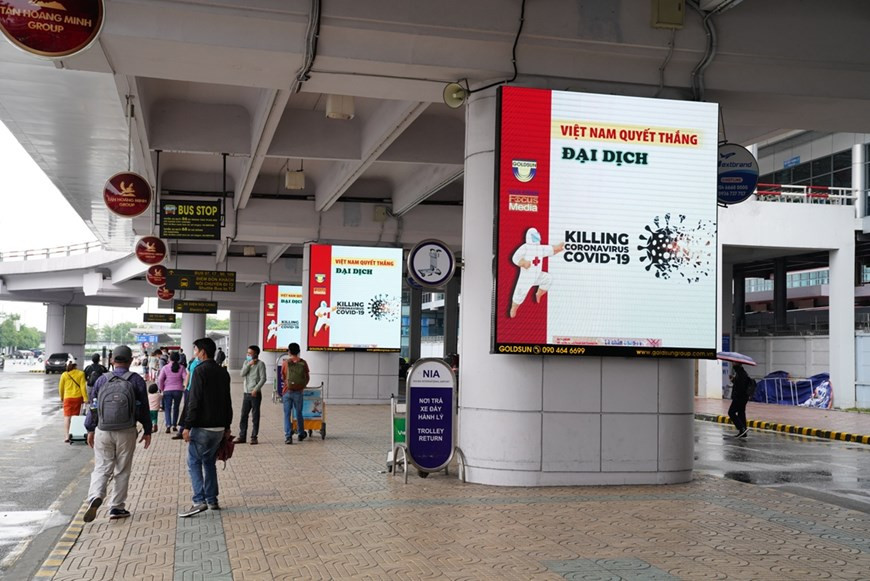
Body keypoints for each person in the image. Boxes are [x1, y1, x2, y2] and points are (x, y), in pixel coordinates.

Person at [82, 346, 152, 522]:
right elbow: (144, 407)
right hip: (127, 431)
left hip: (103, 430)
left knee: (102, 467)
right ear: (130, 361)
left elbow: (93, 406)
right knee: (122, 470)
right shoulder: (136, 380)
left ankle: (95, 495)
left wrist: (90, 428)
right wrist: (147, 430)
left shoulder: (101, 380)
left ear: (112, 360)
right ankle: (116, 507)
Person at [179, 337, 233, 517]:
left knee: (194, 462)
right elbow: (227, 401)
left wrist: (187, 426)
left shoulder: (199, 371)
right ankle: (212, 499)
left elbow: (194, 401)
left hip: (201, 427)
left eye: (195, 350)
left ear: (202, 352)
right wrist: (227, 426)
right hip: (219, 428)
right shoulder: (223, 372)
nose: (194, 353)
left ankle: (199, 500)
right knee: (209, 462)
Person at [509, 227, 565, 318]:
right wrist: (523, 262)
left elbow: (551, 250)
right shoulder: (525, 247)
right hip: (526, 278)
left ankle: (539, 293)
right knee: (519, 293)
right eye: (534, 236)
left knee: (548, 278)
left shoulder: (540, 248)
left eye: (537, 235)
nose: (537, 237)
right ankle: (514, 308)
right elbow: (515, 258)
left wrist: (559, 248)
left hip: (538, 276)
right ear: (529, 237)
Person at [237, 345, 267, 445]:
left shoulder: (261, 364)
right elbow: (242, 374)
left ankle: (254, 437)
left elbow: (263, 378)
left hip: (255, 394)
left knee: (255, 416)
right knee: (243, 415)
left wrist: (256, 389)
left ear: (255, 354)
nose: (248, 355)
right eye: (247, 353)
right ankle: (242, 436)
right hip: (246, 393)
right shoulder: (246, 362)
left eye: (250, 353)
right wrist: (249, 364)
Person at [281, 342, 310, 444]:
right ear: (298, 351)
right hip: (298, 392)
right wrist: (301, 386)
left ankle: (288, 436)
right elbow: (307, 377)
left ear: (289, 351)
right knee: (298, 413)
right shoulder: (303, 362)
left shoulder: (285, 363)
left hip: (287, 391)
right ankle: (301, 433)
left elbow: (283, 376)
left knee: (287, 414)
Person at [158, 351, 188, 434]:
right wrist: (184, 386)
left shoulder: (165, 367)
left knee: (167, 408)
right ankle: (174, 425)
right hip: (178, 390)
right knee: (176, 408)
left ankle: (168, 425)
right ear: (178, 359)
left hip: (167, 390)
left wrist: (161, 388)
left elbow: (160, 379)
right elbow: (186, 378)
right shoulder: (182, 367)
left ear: (170, 358)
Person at [59, 361, 88, 443]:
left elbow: (61, 387)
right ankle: (73, 433)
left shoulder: (64, 374)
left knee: (67, 417)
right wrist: (85, 398)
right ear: (75, 366)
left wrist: (61, 397)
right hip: (77, 398)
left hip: (67, 398)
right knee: (75, 417)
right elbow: (83, 387)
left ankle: (67, 436)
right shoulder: (81, 374)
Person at [727, 363, 754, 439]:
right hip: (743, 397)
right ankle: (743, 431)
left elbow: (741, 387)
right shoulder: (740, 373)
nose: (732, 364)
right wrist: (733, 380)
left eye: (734, 363)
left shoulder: (741, 374)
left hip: (739, 397)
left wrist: (736, 395)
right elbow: (740, 384)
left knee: (731, 412)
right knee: (741, 413)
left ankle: (741, 428)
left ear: (737, 364)